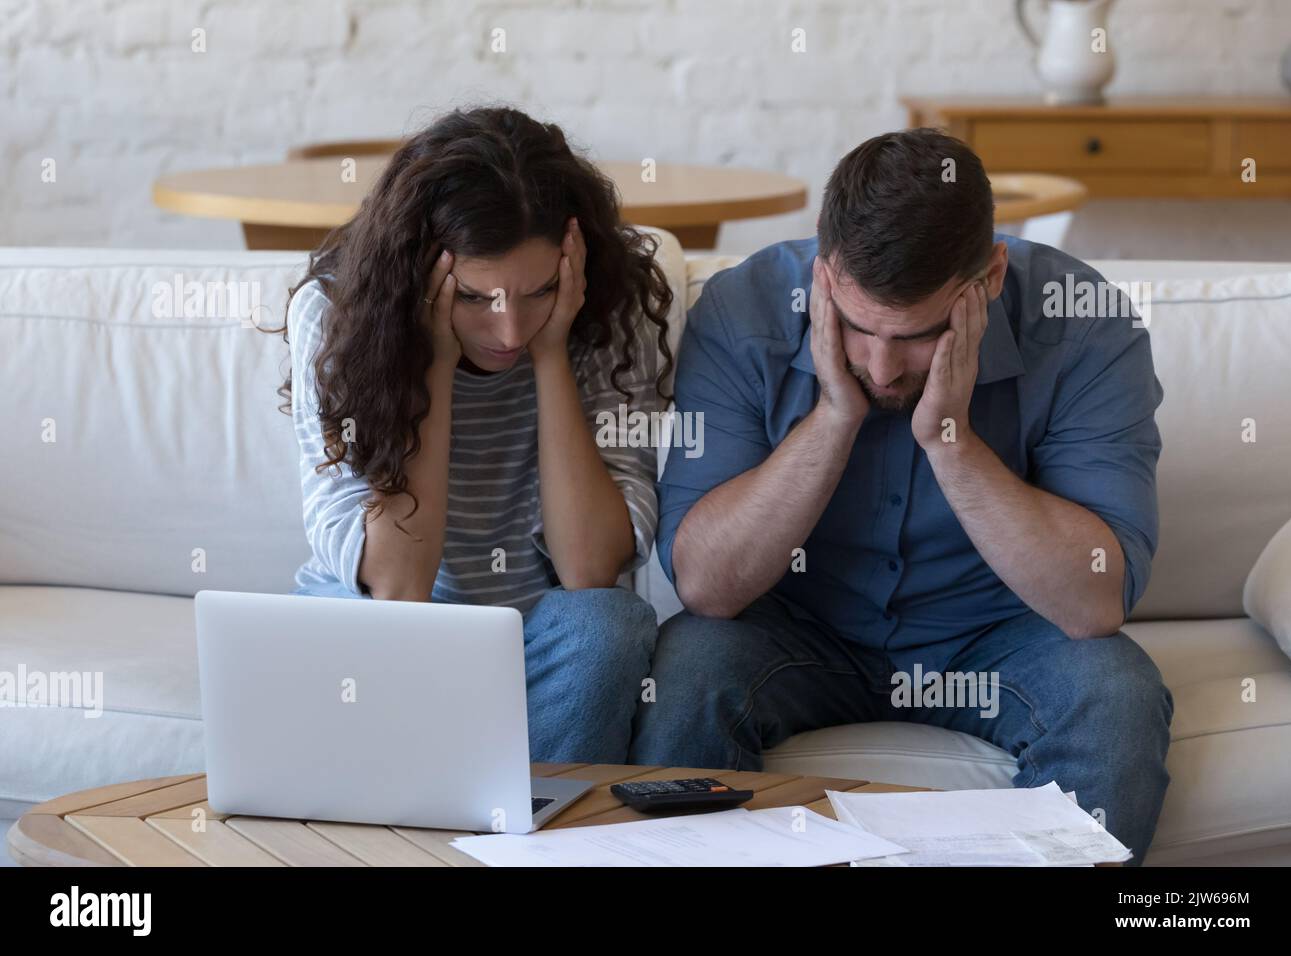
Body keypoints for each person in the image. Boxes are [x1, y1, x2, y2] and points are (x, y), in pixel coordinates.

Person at [631, 128, 1173, 865]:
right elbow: (706, 586)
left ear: (989, 278)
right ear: (825, 278)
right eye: (857, 327)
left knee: (1118, 694)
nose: (881, 368)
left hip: (1002, 637)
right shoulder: (743, 310)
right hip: (796, 631)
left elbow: (1092, 603)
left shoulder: (1086, 325)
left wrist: (951, 440)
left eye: (917, 335)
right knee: (690, 668)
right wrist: (832, 417)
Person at [267, 106, 674, 764]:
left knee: (609, 624)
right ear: (420, 276)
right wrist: (434, 362)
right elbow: (397, 588)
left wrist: (552, 358)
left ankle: (540, 829)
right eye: (474, 298)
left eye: (538, 290)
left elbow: (589, 568)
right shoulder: (335, 313)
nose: (509, 331)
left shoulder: (606, 307)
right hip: (386, 627)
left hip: (539, 643)